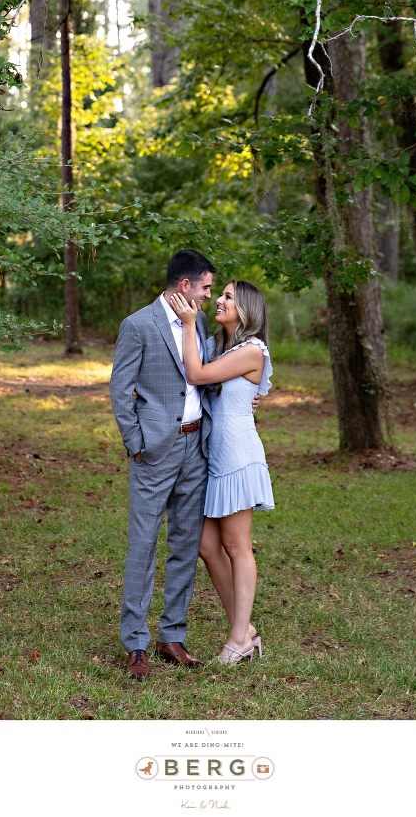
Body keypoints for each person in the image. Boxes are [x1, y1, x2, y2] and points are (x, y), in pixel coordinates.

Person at [110, 249, 216, 681]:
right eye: (206, 287)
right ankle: (135, 642)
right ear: (185, 286)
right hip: (154, 450)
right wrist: (137, 444)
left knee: (186, 544)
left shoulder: (201, 323)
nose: (210, 295)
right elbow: (121, 390)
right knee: (144, 543)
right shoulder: (138, 325)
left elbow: (202, 377)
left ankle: (172, 635)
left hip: (196, 447)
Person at [169, 279, 274, 666]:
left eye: (228, 296)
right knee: (207, 546)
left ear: (246, 308)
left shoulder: (252, 349)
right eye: (221, 294)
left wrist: (185, 322)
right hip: (214, 454)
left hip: (237, 455)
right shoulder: (220, 346)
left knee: (236, 545)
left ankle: (238, 640)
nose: (219, 300)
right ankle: (244, 631)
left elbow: (196, 375)